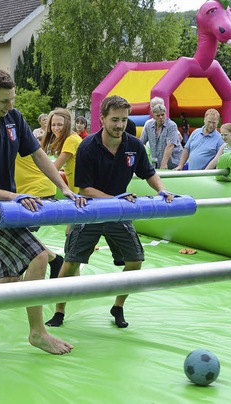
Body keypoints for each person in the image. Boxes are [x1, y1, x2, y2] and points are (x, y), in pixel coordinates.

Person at [0, 68, 84, 360]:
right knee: (38, 256)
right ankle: (37, 331)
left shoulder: (13, 118)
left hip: (9, 209)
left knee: (9, 280)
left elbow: (38, 155)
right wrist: (14, 196)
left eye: (12, 100)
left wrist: (63, 187)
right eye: (4, 102)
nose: (10, 106)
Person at [45, 95, 174, 329]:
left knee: (135, 260)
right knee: (71, 262)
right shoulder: (87, 147)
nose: (120, 125)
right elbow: (84, 188)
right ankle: (59, 310)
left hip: (119, 212)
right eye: (115, 119)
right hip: (90, 210)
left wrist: (163, 190)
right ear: (102, 118)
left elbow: (148, 173)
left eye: (124, 120)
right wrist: (116, 199)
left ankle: (118, 306)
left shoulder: (133, 145)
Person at [41, 108, 82, 193]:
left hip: (78, 191)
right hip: (75, 188)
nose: (56, 128)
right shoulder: (72, 137)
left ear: (67, 124)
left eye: (60, 124)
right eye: (53, 125)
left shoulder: (71, 140)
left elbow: (54, 168)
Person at [140, 102, 183, 169]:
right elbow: (141, 142)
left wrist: (164, 164)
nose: (161, 117)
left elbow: (170, 145)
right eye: (158, 115)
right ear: (153, 116)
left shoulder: (171, 125)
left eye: (162, 115)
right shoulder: (148, 125)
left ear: (165, 114)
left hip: (173, 164)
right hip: (156, 163)